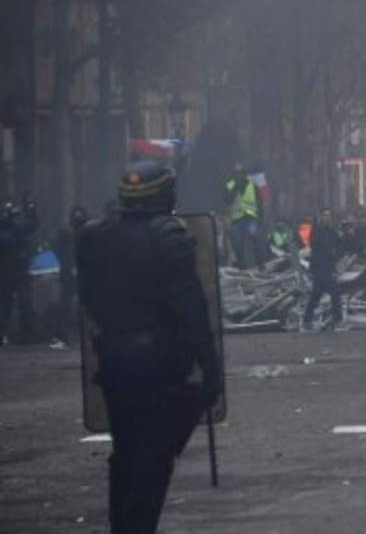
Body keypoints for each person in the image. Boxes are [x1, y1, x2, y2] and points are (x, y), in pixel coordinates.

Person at [77, 160, 221, 534]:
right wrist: (210, 364)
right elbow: (190, 307)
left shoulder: (95, 235)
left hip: (114, 361)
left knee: (125, 456)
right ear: (164, 193)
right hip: (158, 365)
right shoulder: (168, 236)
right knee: (153, 460)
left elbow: (88, 298)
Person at [0, 195, 39, 345]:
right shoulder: (11, 232)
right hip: (9, 273)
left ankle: (26, 334)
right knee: (8, 306)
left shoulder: (17, 229)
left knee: (22, 304)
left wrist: (30, 207)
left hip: (16, 272)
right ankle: (13, 333)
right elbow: (33, 224)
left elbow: (33, 224)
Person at [52, 205, 88, 344]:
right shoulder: (65, 234)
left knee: (83, 305)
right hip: (69, 274)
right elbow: (62, 252)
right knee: (66, 304)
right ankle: (63, 335)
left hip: (82, 273)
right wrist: (70, 266)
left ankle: (73, 335)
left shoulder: (86, 233)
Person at [303, 208, 344, 330]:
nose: (327, 218)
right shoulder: (317, 230)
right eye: (325, 215)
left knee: (317, 294)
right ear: (321, 217)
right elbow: (315, 246)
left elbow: (339, 244)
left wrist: (336, 256)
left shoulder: (331, 231)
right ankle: (337, 319)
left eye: (329, 215)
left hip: (327, 267)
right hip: (319, 267)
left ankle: (308, 319)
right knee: (333, 292)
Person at [224, 165, 262, 269]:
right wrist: (235, 188)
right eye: (236, 173)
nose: (239, 175)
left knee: (255, 238)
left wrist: (260, 218)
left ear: (245, 174)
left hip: (250, 216)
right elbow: (227, 201)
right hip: (236, 219)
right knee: (236, 243)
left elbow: (259, 202)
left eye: (241, 173)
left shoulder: (253, 185)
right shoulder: (229, 186)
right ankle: (241, 265)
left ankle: (260, 263)